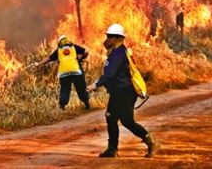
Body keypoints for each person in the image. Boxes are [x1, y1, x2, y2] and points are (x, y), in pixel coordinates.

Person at [86, 23, 158, 158]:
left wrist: (95, 85)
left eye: (110, 37)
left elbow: (109, 74)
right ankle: (112, 149)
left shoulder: (117, 54)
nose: (107, 39)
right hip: (119, 92)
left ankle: (151, 142)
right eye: (107, 36)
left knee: (127, 121)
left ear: (117, 38)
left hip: (125, 93)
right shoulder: (118, 52)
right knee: (111, 117)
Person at [32, 35, 90, 110]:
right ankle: (86, 102)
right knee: (81, 88)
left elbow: (49, 59)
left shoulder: (58, 50)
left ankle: (62, 106)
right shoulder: (74, 47)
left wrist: (38, 64)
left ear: (59, 42)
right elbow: (86, 52)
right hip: (76, 72)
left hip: (64, 74)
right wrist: (81, 57)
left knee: (65, 90)